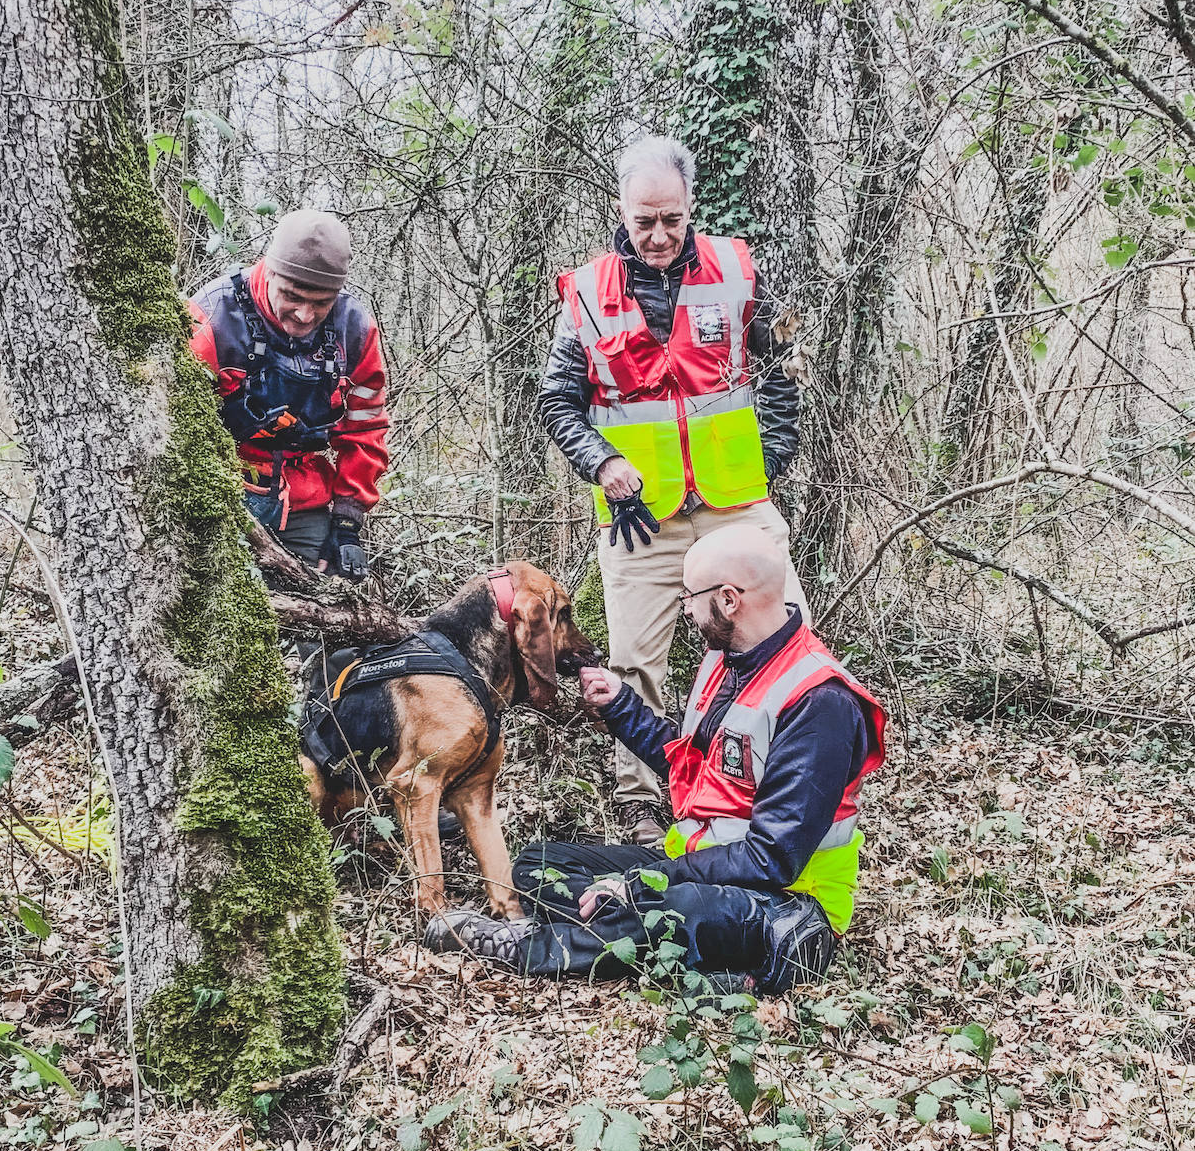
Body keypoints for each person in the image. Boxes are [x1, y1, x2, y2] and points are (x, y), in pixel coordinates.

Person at [423, 527, 886, 995]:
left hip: (784, 902)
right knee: (540, 863)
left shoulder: (820, 702)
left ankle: (527, 948)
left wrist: (642, 883)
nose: (684, 606)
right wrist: (621, 705)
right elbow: (693, 769)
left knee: (678, 906)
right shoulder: (729, 660)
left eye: (689, 595)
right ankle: (645, 940)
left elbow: (771, 860)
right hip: (701, 863)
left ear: (729, 600)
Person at [538, 136, 807, 847]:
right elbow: (557, 400)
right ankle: (638, 799)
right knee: (633, 660)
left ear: (691, 210)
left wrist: (771, 460)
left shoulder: (737, 270)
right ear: (621, 213)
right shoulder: (588, 294)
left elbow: (783, 372)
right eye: (643, 222)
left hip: (737, 505)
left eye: (672, 221)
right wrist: (599, 462)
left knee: (788, 637)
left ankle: (783, 778)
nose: (658, 237)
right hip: (639, 520)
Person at [187, 210, 389, 581]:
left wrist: (347, 522)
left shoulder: (355, 331)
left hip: (304, 495)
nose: (304, 314)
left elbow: (366, 427)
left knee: (316, 616)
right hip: (224, 495)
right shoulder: (213, 318)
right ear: (268, 270)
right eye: (292, 296)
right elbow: (178, 431)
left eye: (321, 302)